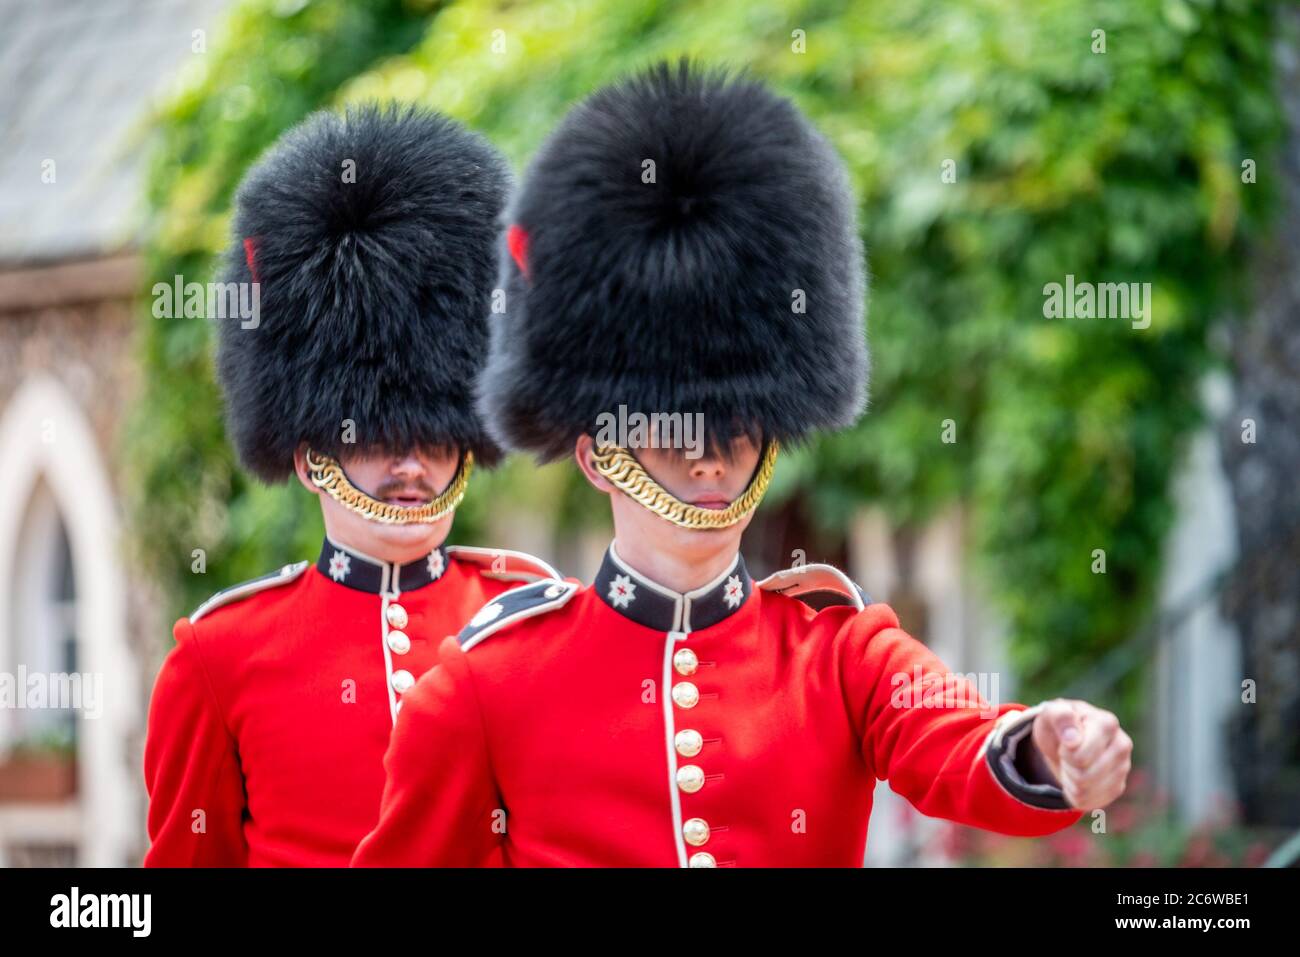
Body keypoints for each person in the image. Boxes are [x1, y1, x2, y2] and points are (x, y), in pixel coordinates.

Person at [352, 64, 1131, 868]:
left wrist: (1044, 748)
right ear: (596, 453)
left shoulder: (842, 654)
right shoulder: (486, 683)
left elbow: (958, 743)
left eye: (736, 424)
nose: (710, 453)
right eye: (669, 425)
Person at [144, 103, 559, 866]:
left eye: (437, 434)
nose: (411, 465)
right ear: (308, 457)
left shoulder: (527, 619)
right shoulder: (222, 656)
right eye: (373, 434)